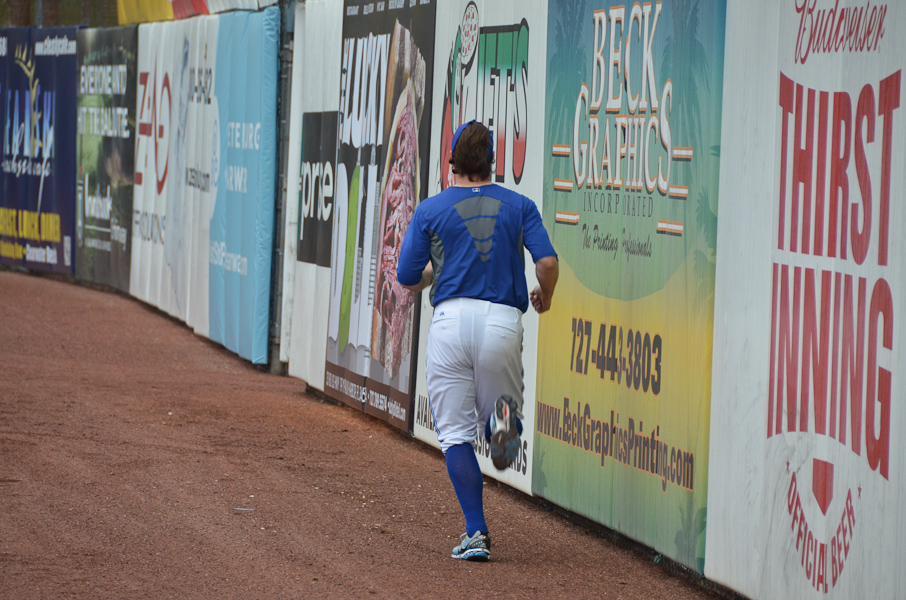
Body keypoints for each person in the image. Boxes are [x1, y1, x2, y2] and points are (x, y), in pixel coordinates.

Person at [396, 120, 559, 562]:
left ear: (451, 163)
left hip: (449, 320)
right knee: (498, 419)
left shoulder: (431, 209)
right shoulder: (519, 204)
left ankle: (476, 531)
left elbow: (408, 276)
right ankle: (503, 431)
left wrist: (437, 272)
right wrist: (546, 293)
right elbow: (545, 261)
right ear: (492, 162)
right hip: (503, 320)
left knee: (453, 434)